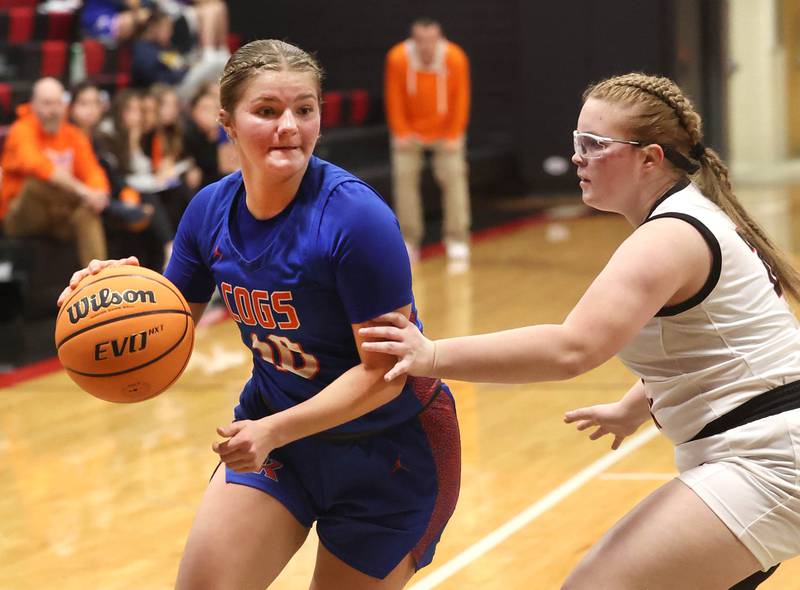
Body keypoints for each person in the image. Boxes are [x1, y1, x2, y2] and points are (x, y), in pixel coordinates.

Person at [360, 73, 800, 590]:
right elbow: (709, 344)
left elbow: (572, 348)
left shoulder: (669, 237)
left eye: (594, 144)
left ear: (649, 158)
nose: (577, 157)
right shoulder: (684, 221)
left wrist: (431, 354)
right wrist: (632, 408)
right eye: (577, 142)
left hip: (769, 463)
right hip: (760, 451)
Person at [57, 39, 461, 590]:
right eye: (267, 111)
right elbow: (168, 324)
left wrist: (273, 430)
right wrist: (117, 293)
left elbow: (384, 375)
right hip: (279, 435)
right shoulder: (208, 210)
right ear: (227, 121)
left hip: (388, 450)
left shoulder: (356, 219)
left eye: (305, 109)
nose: (289, 126)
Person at [385, 18, 471, 265]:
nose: (426, 46)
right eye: (420, 41)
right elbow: (395, 97)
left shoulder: (455, 57)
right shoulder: (398, 58)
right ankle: (409, 240)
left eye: (431, 40)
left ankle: (457, 239)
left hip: (446, 131)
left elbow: (461, 98)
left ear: (439, 38)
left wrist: (454, 133)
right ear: (413, 40)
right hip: (409, 132)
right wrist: (401, 132)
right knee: (404, 179)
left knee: (454, 177)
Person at [0, 77, 109, 266]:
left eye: (58, 102)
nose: (54, 110)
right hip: (22, 217)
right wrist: (83, 191)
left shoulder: (72, 134)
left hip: (60, 215)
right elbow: (37, 165)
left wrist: (99, 192)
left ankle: (99, 283)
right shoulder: (21, 130)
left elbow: (92, 171)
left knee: (88, 214)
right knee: (37, 182)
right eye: (47, 103)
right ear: (33, 105)